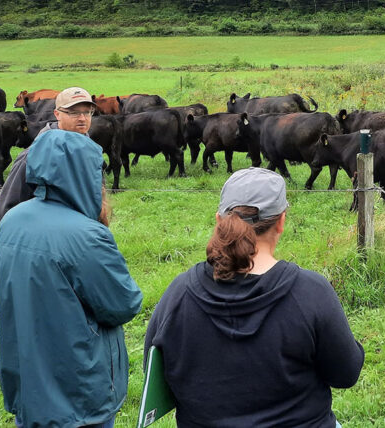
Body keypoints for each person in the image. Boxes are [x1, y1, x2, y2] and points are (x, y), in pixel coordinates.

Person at [144, 167, 364, 427]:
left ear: (219, 221)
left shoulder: (179, 293)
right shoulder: (310, 292)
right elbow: (346, 374)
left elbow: (154, 373)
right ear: (282, 221)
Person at [0, 129, 143, 427]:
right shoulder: (86, 235)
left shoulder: (12, 220)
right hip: (77, 390)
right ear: (84, 172)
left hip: (26, 377)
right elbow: (123, 305)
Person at [0, 86, 97, 224]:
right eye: (74, 112)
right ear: (57, 114)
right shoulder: (33, 156)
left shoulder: (91, 152)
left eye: (88, 112)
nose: (83, 118)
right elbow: (4, 211)